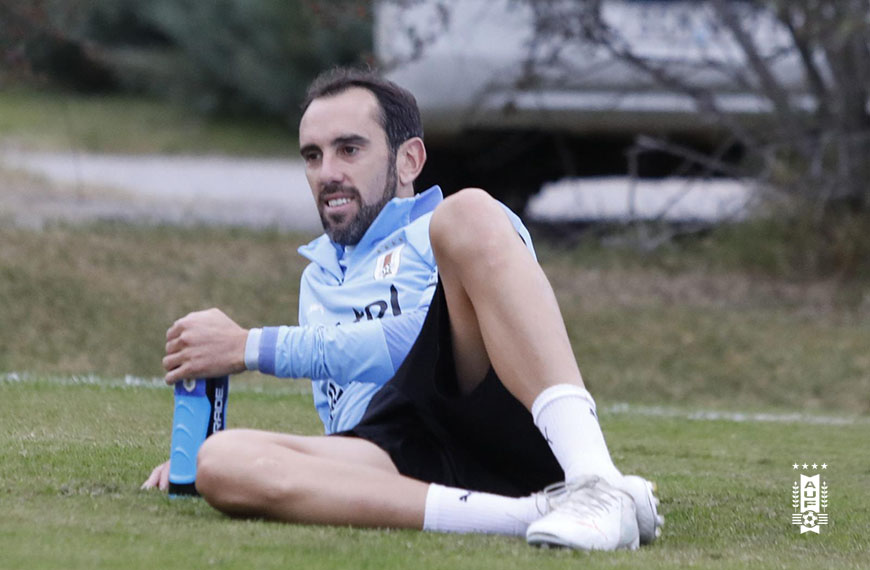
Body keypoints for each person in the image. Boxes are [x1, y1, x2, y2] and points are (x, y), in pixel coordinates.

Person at [142, 67, 663, 551]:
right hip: (391, 451)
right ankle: (540, 512)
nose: (327, 172)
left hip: (483, 422)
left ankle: (595, 481)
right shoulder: (317, 276)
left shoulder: (457, 232)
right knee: (222, 461)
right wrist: (276, 464)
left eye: (349, 149)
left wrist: (250, 347)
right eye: (313, 156)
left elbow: (412, 346)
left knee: (467, 207)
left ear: (409, 160)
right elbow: (348, 416)